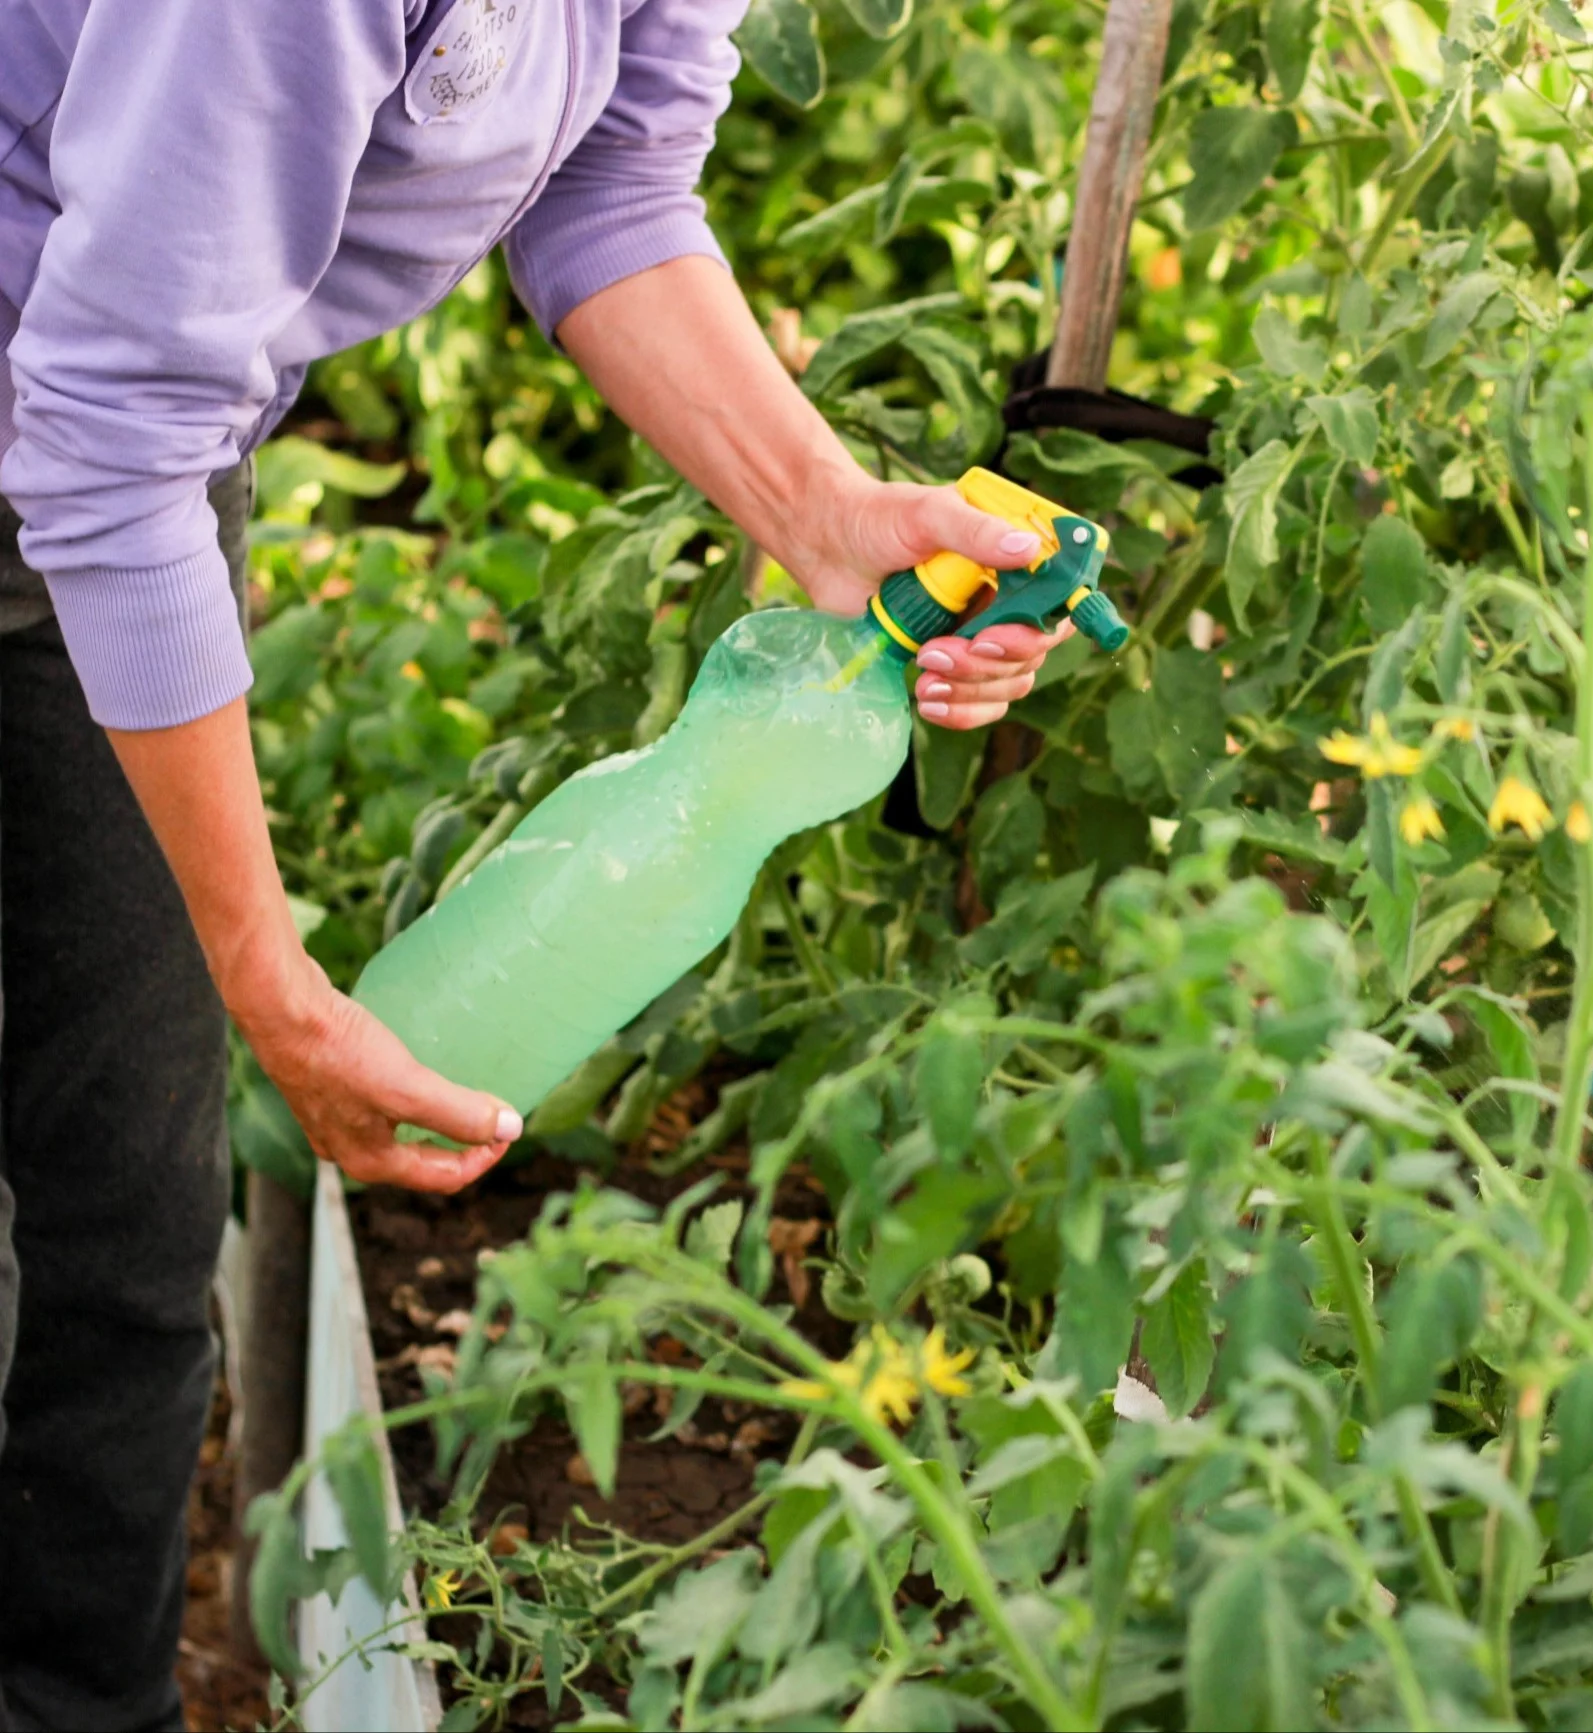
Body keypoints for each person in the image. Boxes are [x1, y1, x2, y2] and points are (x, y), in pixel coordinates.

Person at [0, 1, 1067, 1722]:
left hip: (116, 453)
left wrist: (818, 509)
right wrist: (266, 976)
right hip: (96, 429)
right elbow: (109, 432)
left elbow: (612, 178)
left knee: (122, 1220)